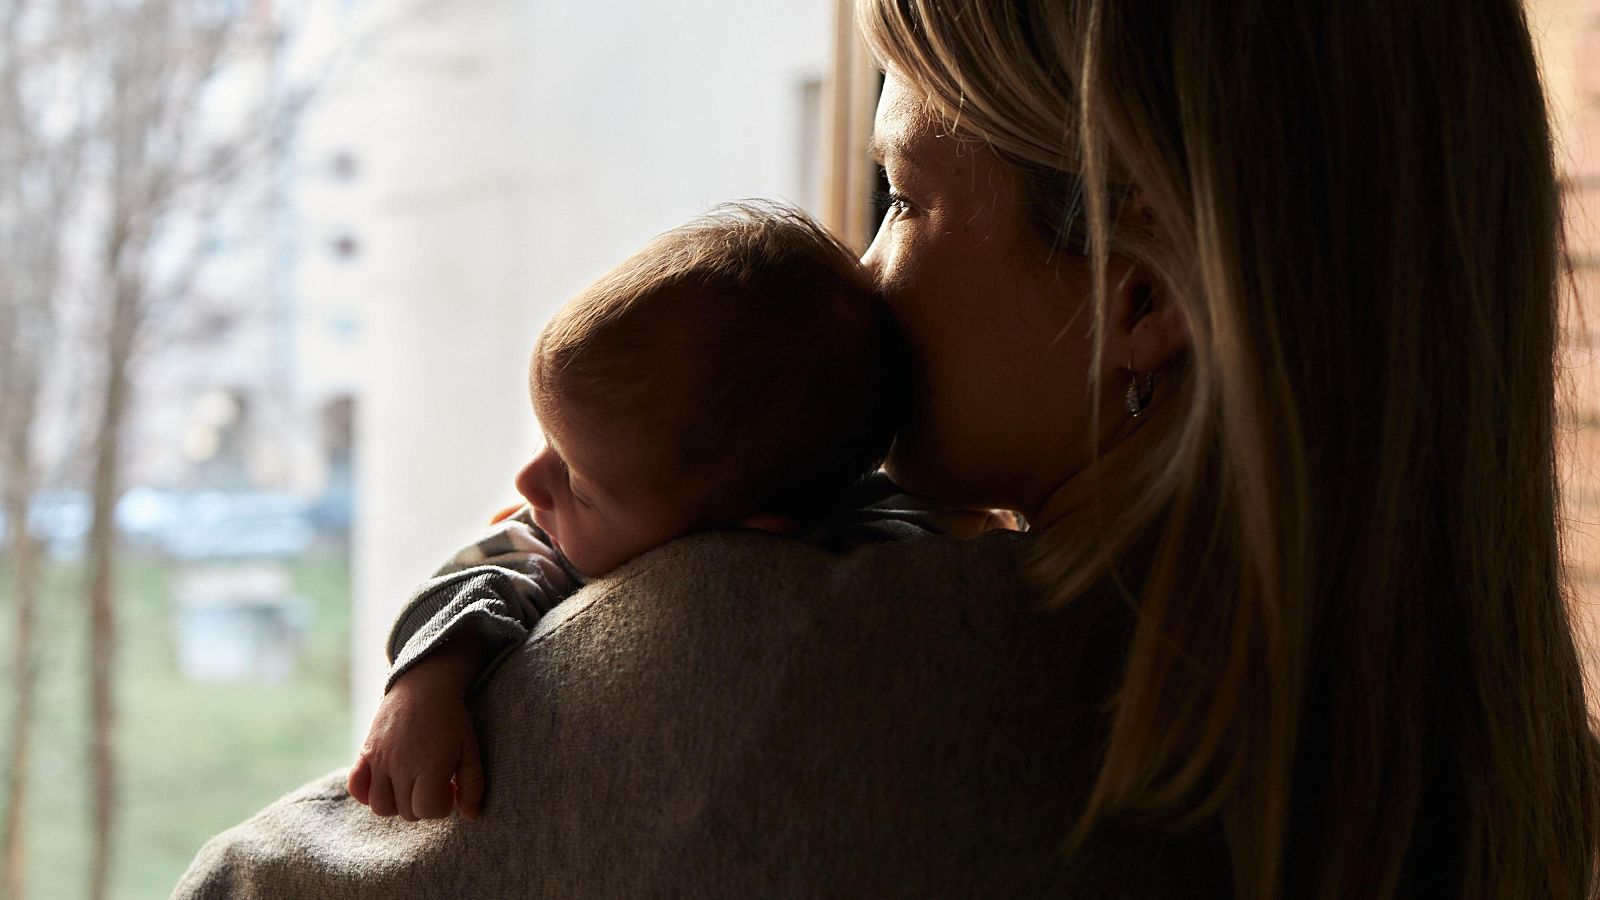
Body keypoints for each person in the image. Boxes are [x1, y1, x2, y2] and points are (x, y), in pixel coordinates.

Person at [174, 1, 1600, 897]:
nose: (864, 271)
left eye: (905, 195)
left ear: (1141, 297)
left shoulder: (792, 675)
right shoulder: (1521, 788)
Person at [345, 201, 1007, 823]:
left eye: (576, 480)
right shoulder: (561, 542)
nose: (526, 483)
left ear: (740, 538)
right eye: (546, 441)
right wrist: (426, 684)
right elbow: (483, 576)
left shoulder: (888, 558)